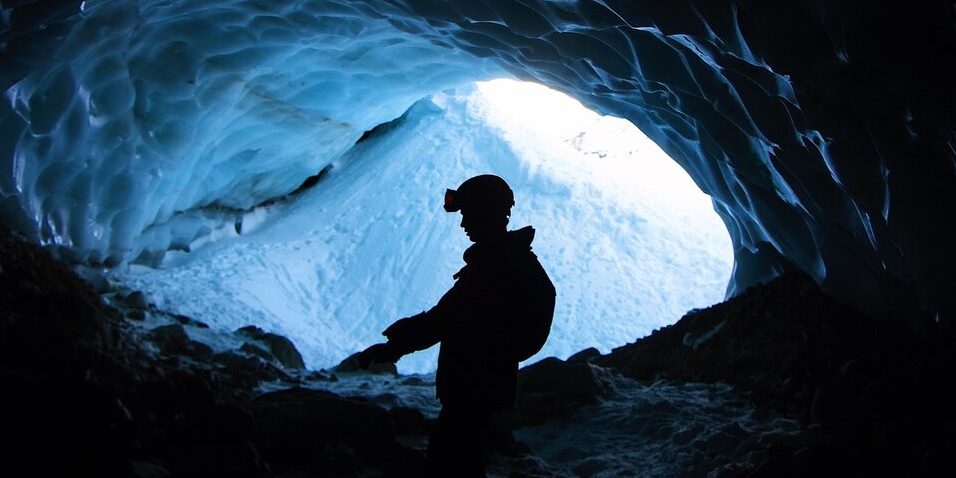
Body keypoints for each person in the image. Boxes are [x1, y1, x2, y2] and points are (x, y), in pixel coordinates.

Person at [356, 174, 556, 476]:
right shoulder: (505, 260)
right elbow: (451, 317)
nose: (463, 224)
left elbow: (446, 318)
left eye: (467, 214)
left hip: (472, 386)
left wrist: (396, 345)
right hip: (483, 384)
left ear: (485, 213)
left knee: (452, 459)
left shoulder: (494, 266)